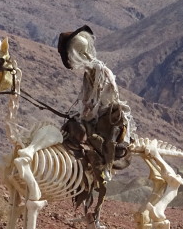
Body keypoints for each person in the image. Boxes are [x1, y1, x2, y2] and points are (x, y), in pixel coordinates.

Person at [57, 25, 134, 183]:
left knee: (96, 138)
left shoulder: (100, 70)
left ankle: (103, 168)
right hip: (94, 111)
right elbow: (86, 96)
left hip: (106, 112)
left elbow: (106, 95)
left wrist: (91, 110)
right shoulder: (89, 71)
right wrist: (82, 110)